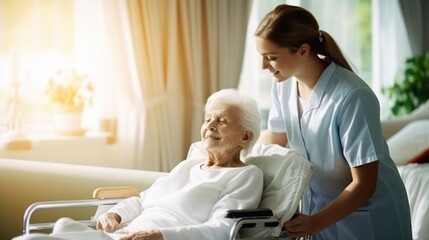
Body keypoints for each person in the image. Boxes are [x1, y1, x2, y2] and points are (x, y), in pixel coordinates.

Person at [15, 89, 263, 240]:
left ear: (245, 137)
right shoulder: (187, 167)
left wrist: (161, 236)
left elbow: (221, 229)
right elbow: (142, 200)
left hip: (156, 239)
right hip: (124, 235)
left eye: (222, 121)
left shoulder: (245, 176)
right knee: (58, 228)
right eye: (208, 118)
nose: (210, 125)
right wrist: (115, 213)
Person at [254, 4, 412, 240]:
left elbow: (364, 184)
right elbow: (275, 141)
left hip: (368, 217)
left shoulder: (352, 95)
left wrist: (316, 222)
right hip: (318, 213)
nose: (263, 66)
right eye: (262, 57)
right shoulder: (283, 86)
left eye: (271, 57)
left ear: (303, 51)